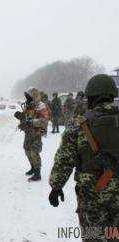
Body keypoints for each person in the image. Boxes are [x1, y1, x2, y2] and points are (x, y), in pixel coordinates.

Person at [49, 74, 119, 241]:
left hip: (93, 195)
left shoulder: (79, 125)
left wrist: (56, 186)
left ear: (91, 97)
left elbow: (64, 159)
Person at [14, 87, 49, 181]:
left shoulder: (41, 106)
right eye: (27, 97)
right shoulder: (29, 105)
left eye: (29, 96)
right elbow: (26, 117)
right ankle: (33, 167)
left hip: (38, 131)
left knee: (34, 151)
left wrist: (32, 122)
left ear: (34, 96)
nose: (27, 98)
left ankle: (38, 173)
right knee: (27, 150)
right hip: (29, 132)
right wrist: (21, 117)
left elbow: (44, 120)